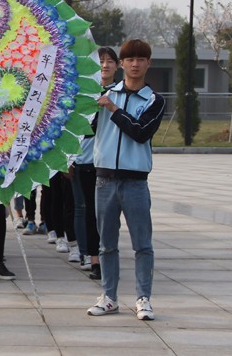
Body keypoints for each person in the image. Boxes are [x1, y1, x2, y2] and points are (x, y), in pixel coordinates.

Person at [87, 39, 165, 321]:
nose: (134, 64)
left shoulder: (154, 100)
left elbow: (141, 131)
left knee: (142, 244)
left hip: (135, 182)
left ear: (148, 63)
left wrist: (113, 109)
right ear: (122, 64)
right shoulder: (105, 95)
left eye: (140, 59)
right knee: (106, 243)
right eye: (129, 59)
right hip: (105, 179)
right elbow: (86, 130)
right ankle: (109, 297)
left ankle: (143, 299)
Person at [77, 47, 119, 279]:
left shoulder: (121, 92)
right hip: (86, 159)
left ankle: (109, 255)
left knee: (109, 213)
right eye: (101, 61)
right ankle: (94, 259)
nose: (105, 66)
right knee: (90, 212)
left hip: (111, 161)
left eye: (110, 61)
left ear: (117, 66)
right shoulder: (84, 91)